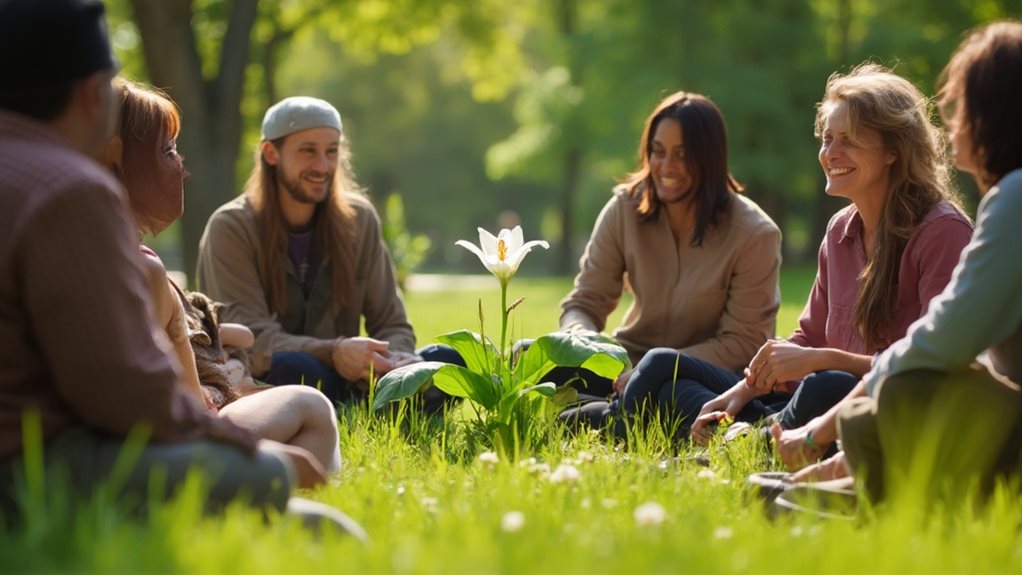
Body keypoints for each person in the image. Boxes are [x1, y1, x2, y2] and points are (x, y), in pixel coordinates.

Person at [0, 0, 308, 521]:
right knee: (270, 472)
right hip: (27, 469)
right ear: (88, 94)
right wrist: (224, 435)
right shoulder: (66, 189)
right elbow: (116, 390)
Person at [678, 63, 973, 448]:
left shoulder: (942, 232)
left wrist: (824, 360)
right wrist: (742, 391)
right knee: (665, 368)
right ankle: (744, 433)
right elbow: (809, 336)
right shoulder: (839, 231)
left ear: (893, 151)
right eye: (827, 139)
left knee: (827, 384)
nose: (830, 154)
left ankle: (751, 443)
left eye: (848, 140)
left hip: (890, 413)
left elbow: (928, 366)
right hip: (817, 399)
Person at [104, 79, 340, 483]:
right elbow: (188, 408)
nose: (181, 166)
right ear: (118, 160)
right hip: (167, 445)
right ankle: (274, 492)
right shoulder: (143, 269)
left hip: (138, 439)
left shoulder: (94, 245)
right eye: (167, 150)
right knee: (311, 403)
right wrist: (224, 385)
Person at [829, 21, 1022, 503]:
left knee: (902, 392)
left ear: (994, 115)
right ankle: (858, 493)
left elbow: (946, 340)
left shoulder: (1007, 200)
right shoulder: (840, 230)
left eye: (961, 109)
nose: (951, 126)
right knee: (865, 402)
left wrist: (825, 422)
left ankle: (889, 503)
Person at [197, 97, 459, 405]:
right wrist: (334, 352)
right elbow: (254, 343)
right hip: (272, 379)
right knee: (295, 368)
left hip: (357, 377)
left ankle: (390, 401)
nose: (322, 165)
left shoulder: (359, 220)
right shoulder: (231, 227)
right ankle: (374, 406)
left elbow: (391, 322)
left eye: (331, 151)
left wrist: (395, 363)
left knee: (445, 360)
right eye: (308, 151)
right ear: (271, 153)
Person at [557, 91, 782, 429]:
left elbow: (743, 343)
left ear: (710, 159)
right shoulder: (623, 210)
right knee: (534, 358)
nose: (666, 167)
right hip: (623, 366)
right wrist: (579, 339)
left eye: (682, 155)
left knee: (673, 394)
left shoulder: (754, 234)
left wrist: (652, 370)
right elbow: (585, 302)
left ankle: (605, 418)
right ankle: (609, 414)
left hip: (697, 376)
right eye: (657, 152)